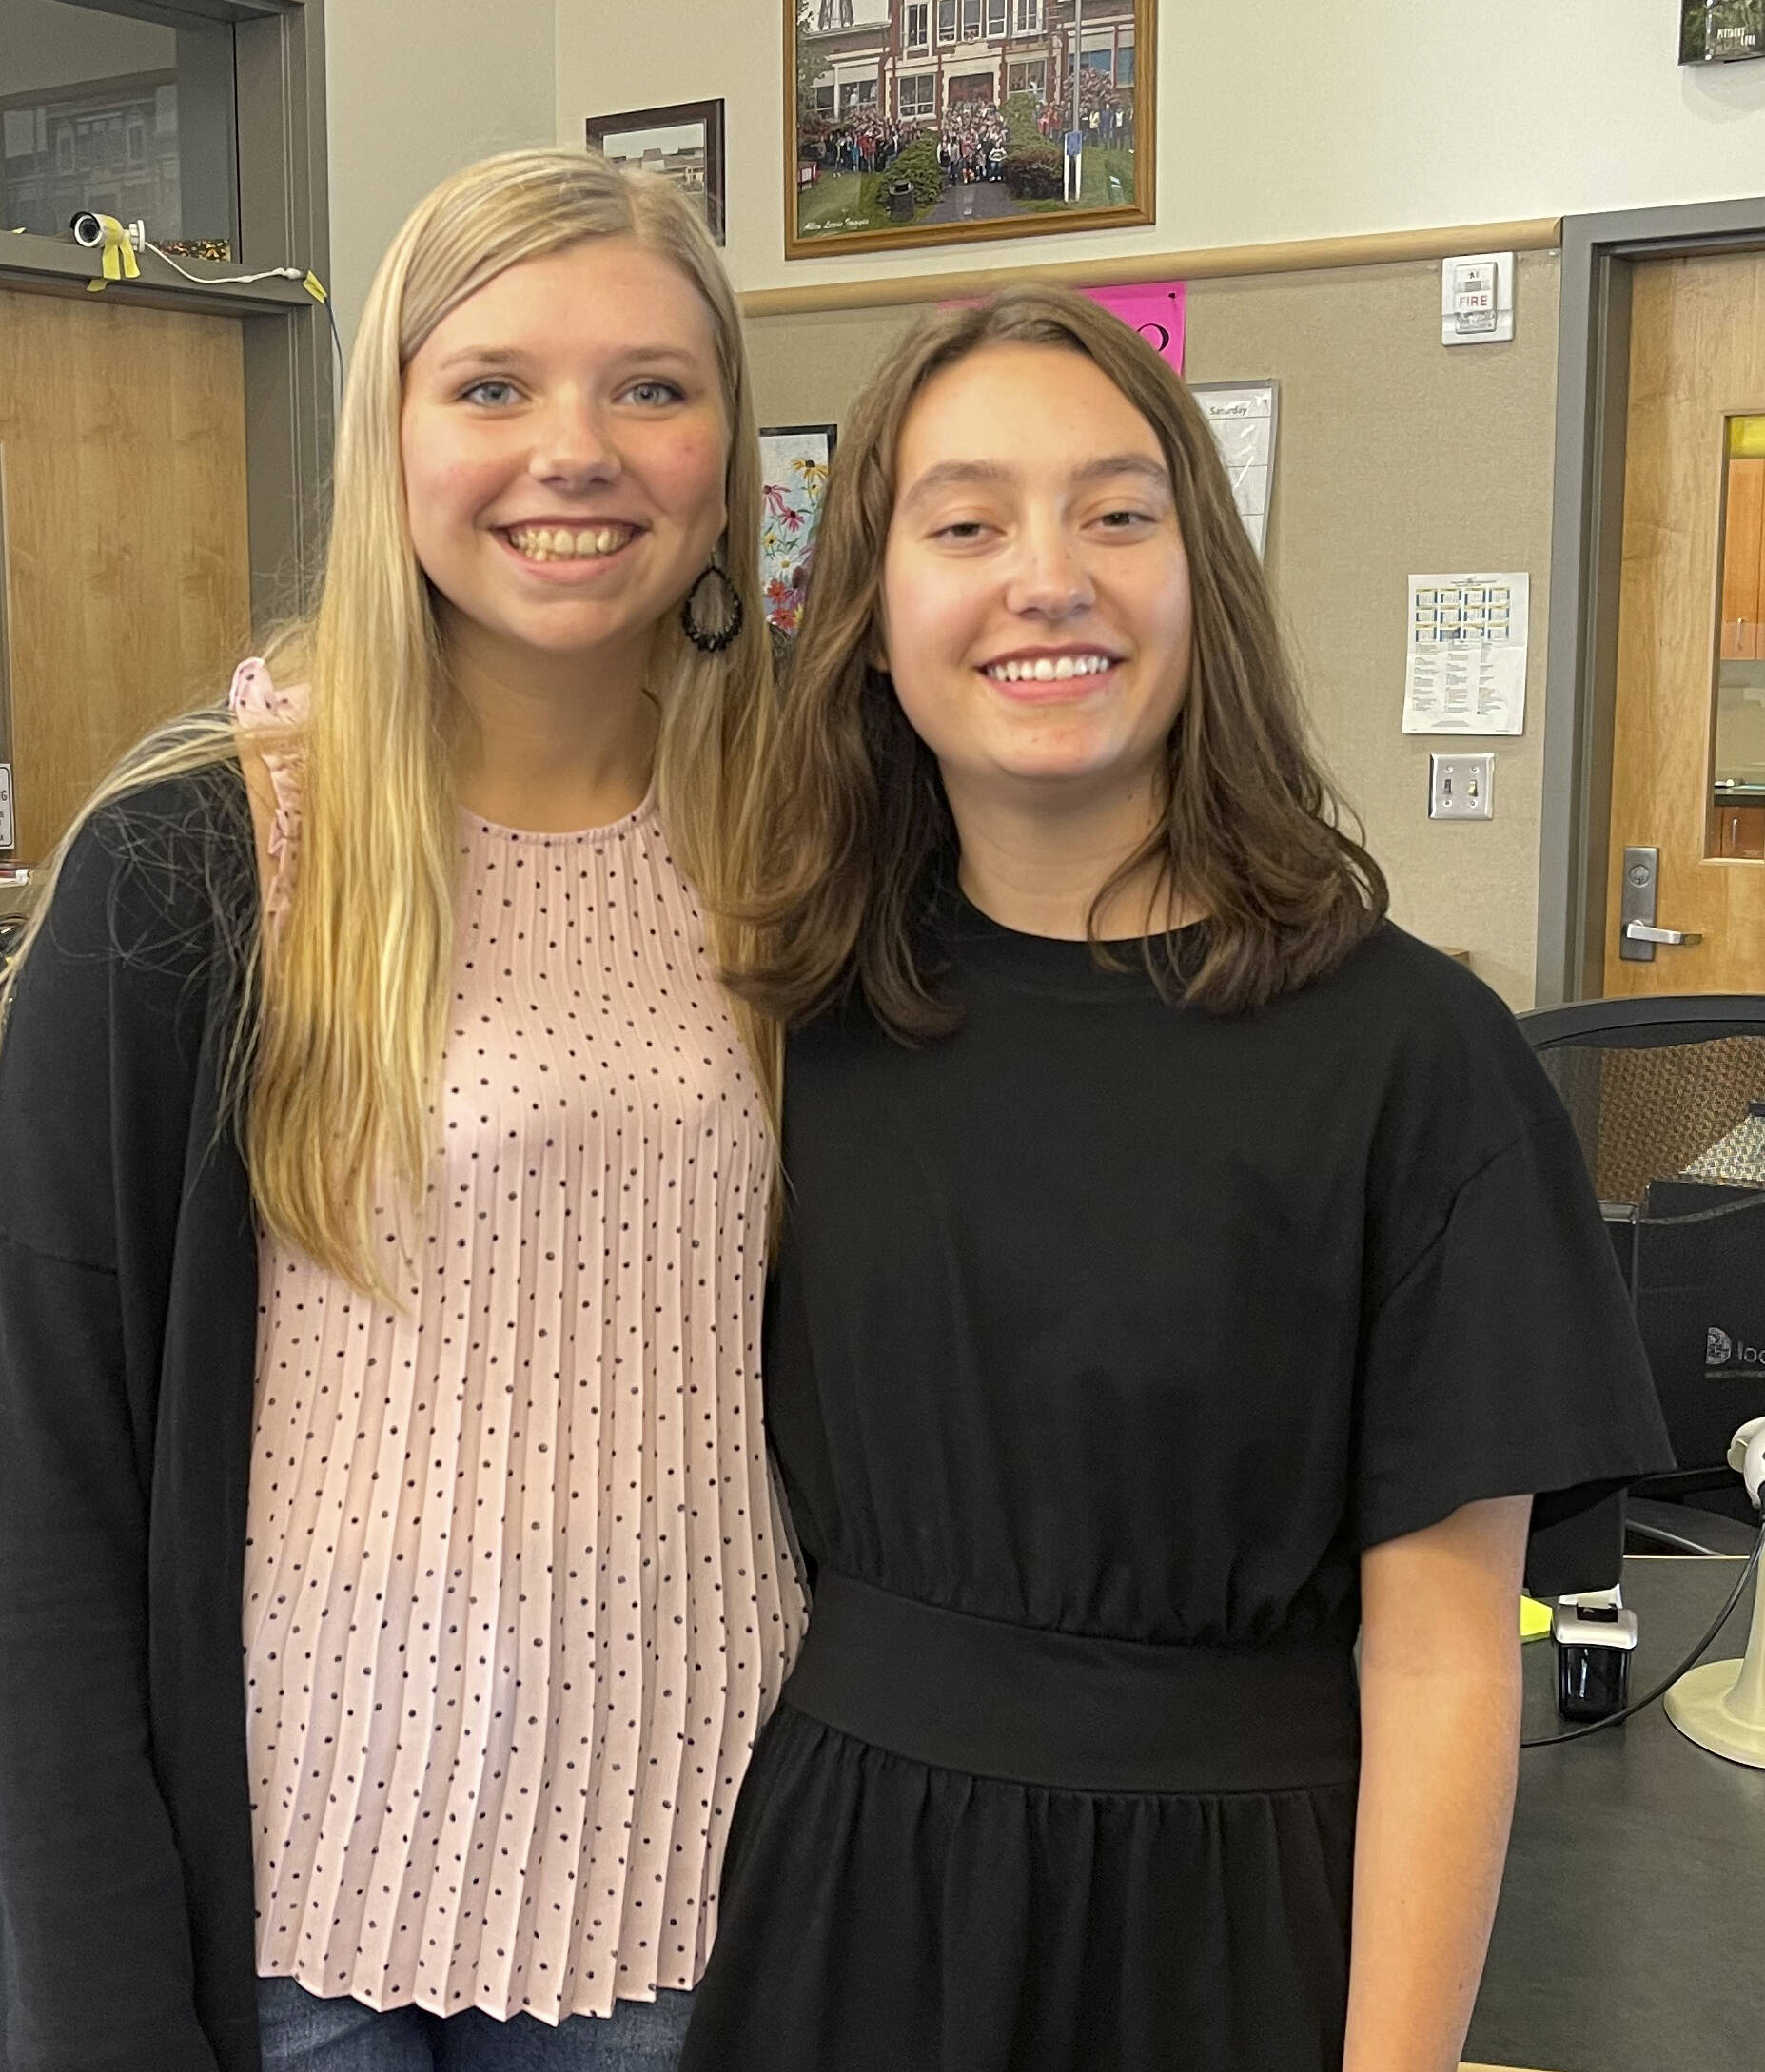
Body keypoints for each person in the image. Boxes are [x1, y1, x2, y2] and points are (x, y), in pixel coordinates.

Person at [678, 285, 1673, 2072]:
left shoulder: (1414, 1060)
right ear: (871, 611)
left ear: (1201, 574)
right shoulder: (788, 1024)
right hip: (847, 1913)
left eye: (1118, 513)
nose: (1045, 575)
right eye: (965, 521)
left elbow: (1447, 1663)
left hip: (1239, 1929)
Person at [0, 147, 806, 2072]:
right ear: (391, 434)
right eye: (489, 385)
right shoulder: (201, 865)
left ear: (727, 454)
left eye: (648, 388)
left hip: (702, 1894)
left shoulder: (804, 853)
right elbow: (42, 1505)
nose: (569, 449)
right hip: (293, 1927)